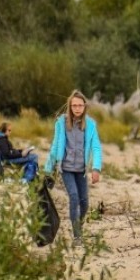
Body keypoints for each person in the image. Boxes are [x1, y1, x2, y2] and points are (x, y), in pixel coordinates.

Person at [44, 90, 102, 246]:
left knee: (85, 203)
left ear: (84, 106)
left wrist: (96, 168)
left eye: (80, 105)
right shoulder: (61, 123)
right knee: (74, 197)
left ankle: (78, 226)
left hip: (81, 170)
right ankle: (77, 236)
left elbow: (96, 147)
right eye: (74, 105)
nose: (77, 108)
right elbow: (55, 145)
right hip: (66, 168)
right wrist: (48, 169)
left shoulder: (90, 124)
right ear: (70, 106)